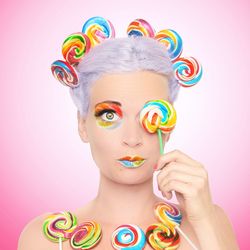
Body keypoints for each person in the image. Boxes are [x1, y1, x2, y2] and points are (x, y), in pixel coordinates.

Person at [18, 18, 239, 250]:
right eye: (110, 116)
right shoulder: (47, 239)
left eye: (149, 115)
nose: (132, 139)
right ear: (82, 125)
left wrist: (203, 220)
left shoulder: (209, 222)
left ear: (168, 125)